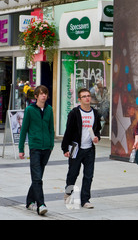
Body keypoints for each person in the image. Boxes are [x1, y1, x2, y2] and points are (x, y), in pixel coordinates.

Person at [61, 88, 101, 209]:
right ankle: (68, 192)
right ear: (79, 99)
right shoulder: (74, 113)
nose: (87, 98)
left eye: (88, 96)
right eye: (84, 96)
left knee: (89, 175)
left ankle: (85, 200)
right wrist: (65, 149)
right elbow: (68, 131)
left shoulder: (95, 113)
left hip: (89, 149)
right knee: (73, 173)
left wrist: (97, 138)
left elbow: (97, 130)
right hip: (75, 148)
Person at [18, 85, 55, 215]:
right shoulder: (29, 110)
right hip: (35, 147)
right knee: (37, 178)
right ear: (36, 96)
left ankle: (29, 201)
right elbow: (24, 130)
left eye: (45, 93)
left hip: (46, 148)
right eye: (41, 93)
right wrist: (21, 148)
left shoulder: (49, 109)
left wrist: (51, 145)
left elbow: (51, 128)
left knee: (37, 177)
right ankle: (41, 204)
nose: (43, 95)